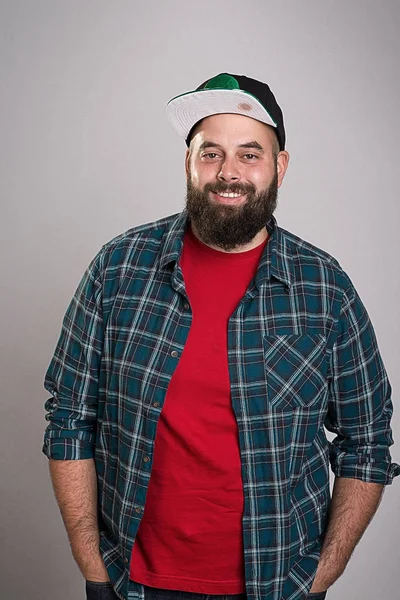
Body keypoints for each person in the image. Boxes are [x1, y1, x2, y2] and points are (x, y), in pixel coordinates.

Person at [42, 73, 399, 600]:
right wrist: (93, 565)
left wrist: (324, 571)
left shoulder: (324, 287)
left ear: (280, 167)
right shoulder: (118, 269)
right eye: (211, 153)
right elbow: (71, 415)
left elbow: (366, 440)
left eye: (250, 154)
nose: (228, 172)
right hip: (132, 583)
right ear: (187, 162)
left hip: (278, 585)